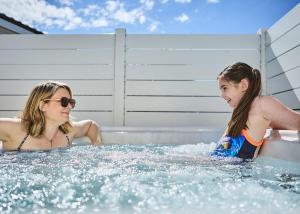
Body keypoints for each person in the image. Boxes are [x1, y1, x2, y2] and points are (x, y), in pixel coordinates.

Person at [210, 62, 300, 159]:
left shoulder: (261, 104)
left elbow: (297, 121)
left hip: (229, 171)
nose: (221, 95)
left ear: (244, 85)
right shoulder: (239, 113)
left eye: (224, 88)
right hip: (221, 168)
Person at [0, 81, 102, 151]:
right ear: (43, 105)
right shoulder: (17, 129)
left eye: (71, 102)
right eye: (64, 101)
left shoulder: (68, 132)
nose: (70, 106)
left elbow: (90, 125)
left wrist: (97, 144)